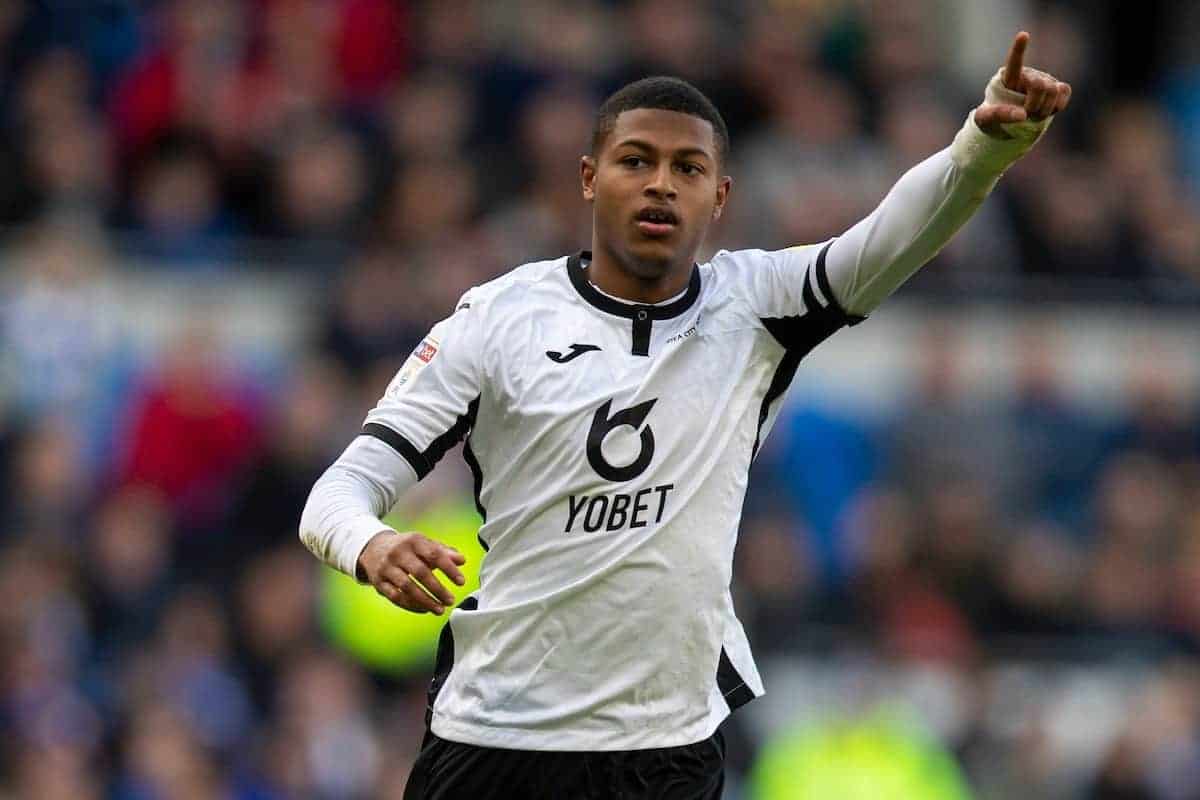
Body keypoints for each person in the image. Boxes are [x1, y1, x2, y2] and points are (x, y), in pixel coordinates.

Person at [300, 32, 1070, 799]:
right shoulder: (496, 319)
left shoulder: (757, 308)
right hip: (496, 738)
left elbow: (890, 239)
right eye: (637, 161)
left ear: (720, 196)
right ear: (589, 178)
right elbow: (335, 495)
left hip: (663, 748)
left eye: (688, 168)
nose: (661, 184)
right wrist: (370, 545)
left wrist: (982, 148)